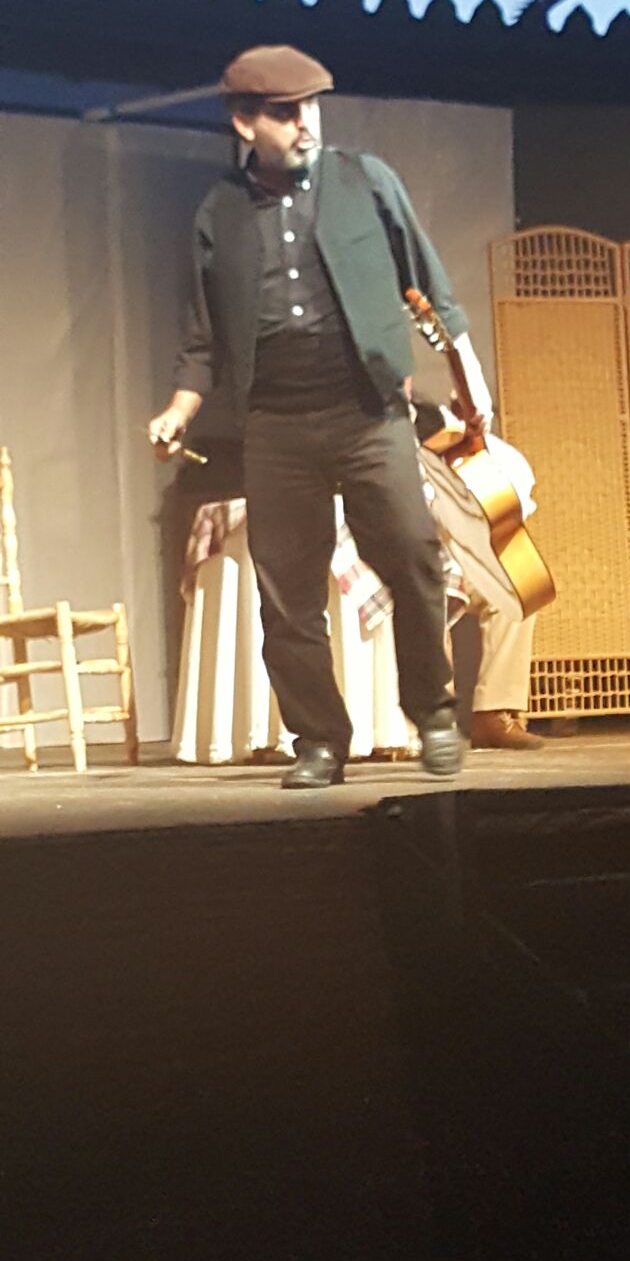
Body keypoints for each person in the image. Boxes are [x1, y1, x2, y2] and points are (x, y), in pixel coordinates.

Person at [148, 44, 494, 788]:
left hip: (368, 411)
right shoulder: (220, 213)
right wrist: (179, 409)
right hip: (276, 424)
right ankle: (319, 741)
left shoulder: (364, 181)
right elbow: (203, 336)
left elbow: (430, 288)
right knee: (288, 596)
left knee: (412, 560)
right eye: (285, 112)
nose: (305, 122)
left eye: (310, 106)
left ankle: (433, 715)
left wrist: (468, 378)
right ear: (245, 123)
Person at [412, 399, 544, 750]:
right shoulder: (390, 446)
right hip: (416, 563)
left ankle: (493, 713)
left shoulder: (465, 439)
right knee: (425, 602)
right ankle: (433, 721)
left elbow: (515, 495)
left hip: (463, 559)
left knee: (519, 589)